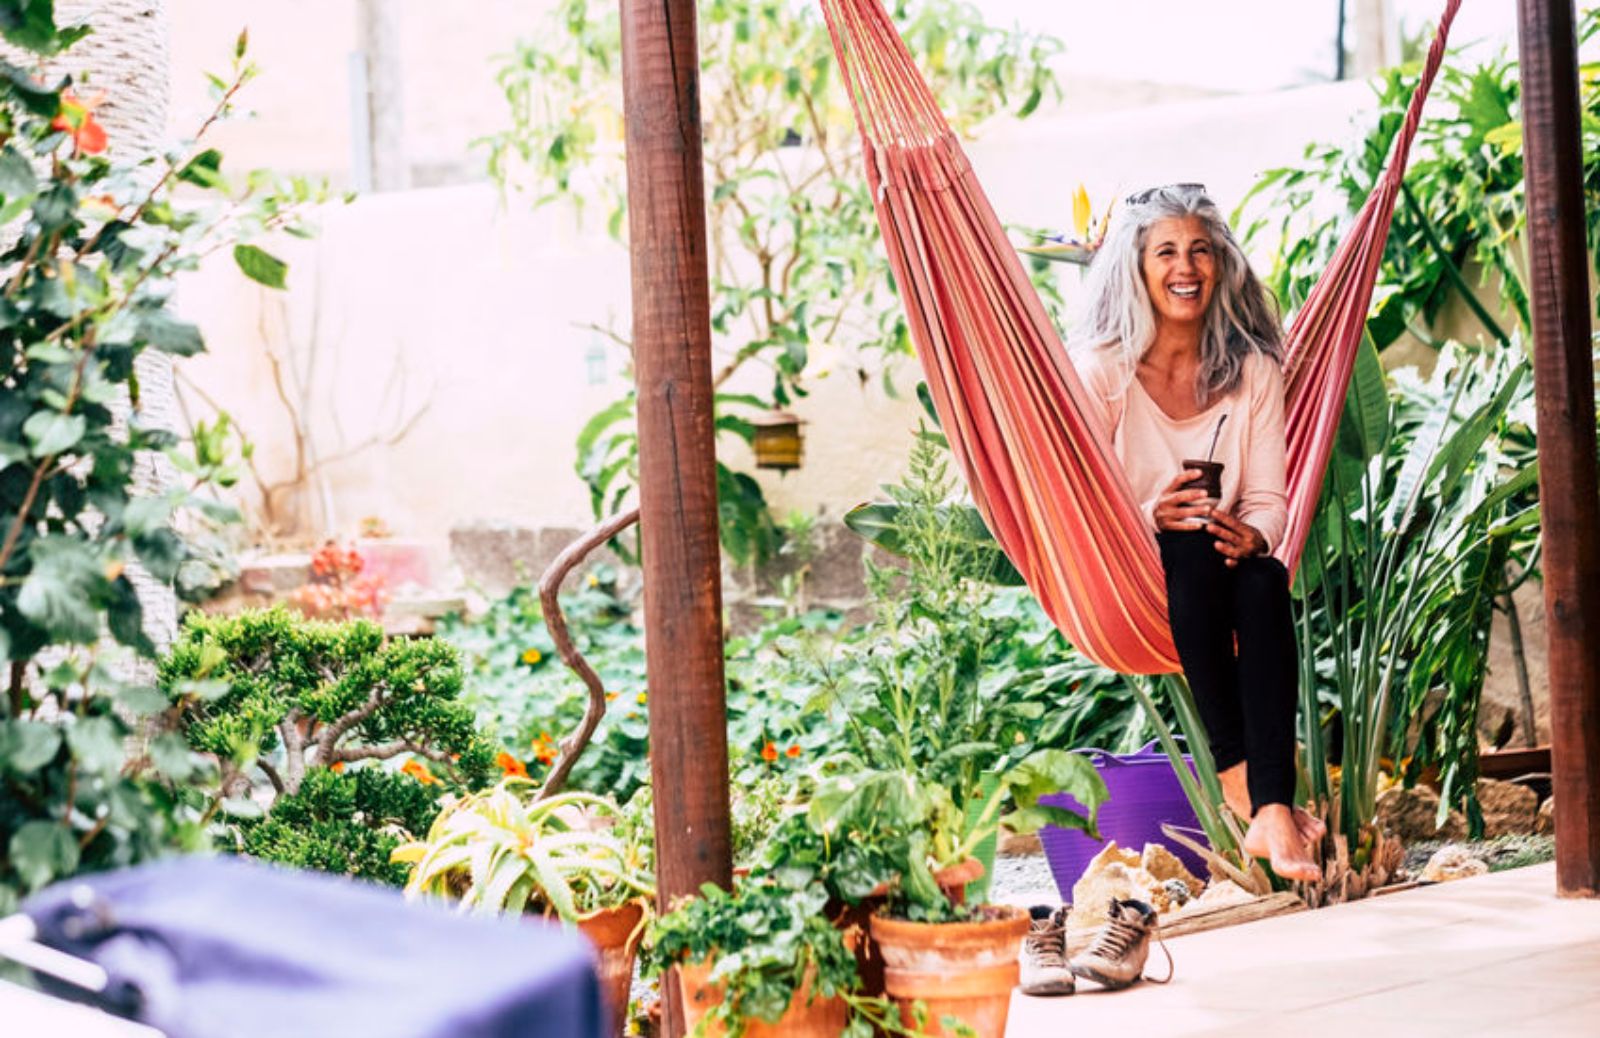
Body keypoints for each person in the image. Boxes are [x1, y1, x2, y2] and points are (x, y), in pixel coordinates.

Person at [1020, 183, 1322, 999]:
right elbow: (1082, 493)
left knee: (1261, 583)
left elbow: (1266, 494)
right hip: (1138, 563)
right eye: (1166, 252)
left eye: (1200, 249)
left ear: (1220, 263)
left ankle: (1264, 808)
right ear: (1137, 267)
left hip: (1226, 569)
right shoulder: (1103, 369)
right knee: (1188, 546)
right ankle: (1246, 782)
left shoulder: (1252, 368)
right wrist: (1152, 513)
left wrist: (1252, 532)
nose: (1185, 267)